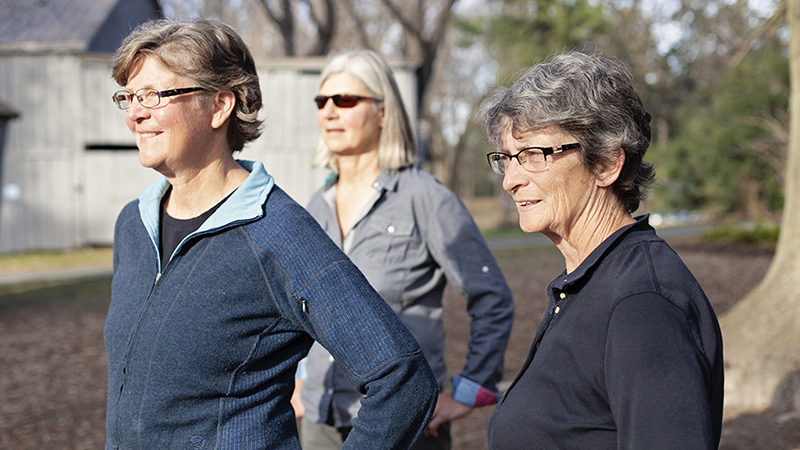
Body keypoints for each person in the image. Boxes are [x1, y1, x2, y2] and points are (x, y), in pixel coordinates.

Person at [104, 19, 438, 450]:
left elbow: (402, 380)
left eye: (153, 95)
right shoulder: (133, 224)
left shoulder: (278, 234)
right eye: (128, 97)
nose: (135, 113)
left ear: (220, 106)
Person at [479, 51, 724, 449]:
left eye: (533, 156)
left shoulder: (642, 305)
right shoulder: (590, 281)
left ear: (607, 164)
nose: (511, 180)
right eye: (506, 159)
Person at [297, 50, 514, 450]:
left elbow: (491, 297)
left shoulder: (426, 199)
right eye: (322, 101)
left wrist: (468, 392)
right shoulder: (314, 206)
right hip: (321, 425)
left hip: (403, 427)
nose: (329, 111)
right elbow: (299, 309)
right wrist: (298, 383)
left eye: (345, 100)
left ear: (383, 112)